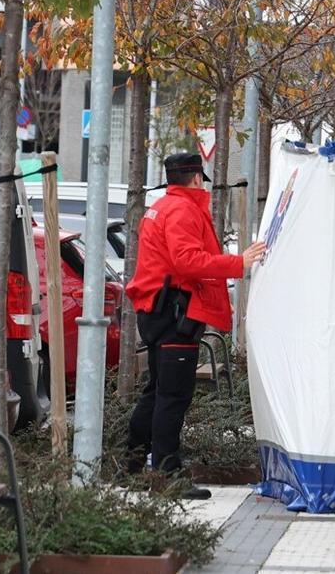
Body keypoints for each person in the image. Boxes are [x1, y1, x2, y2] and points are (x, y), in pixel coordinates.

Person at [125, 152, 267, 500]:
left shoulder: (161, 207)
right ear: (196, 178)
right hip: (175, 314)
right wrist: (239, 262)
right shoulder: (183, 210)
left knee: (157, 391)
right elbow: (186, 261)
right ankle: (166, 476)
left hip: (158, 311)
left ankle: (131, 467)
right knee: (173, 396)